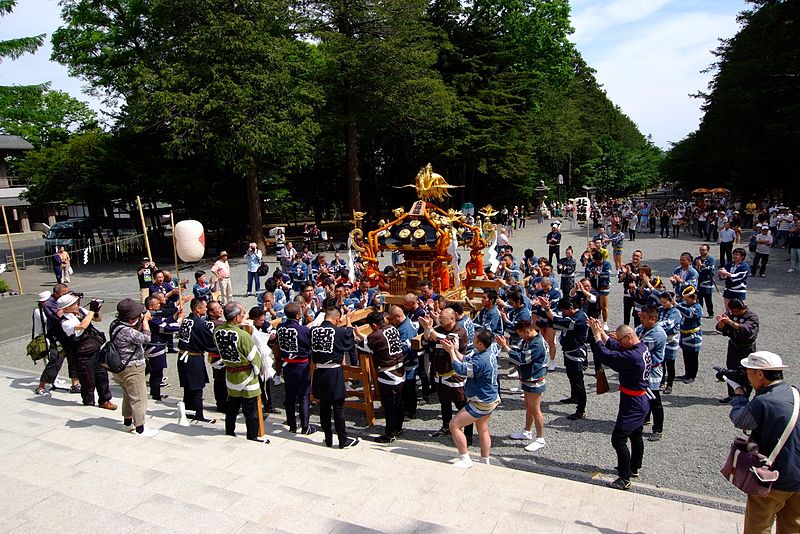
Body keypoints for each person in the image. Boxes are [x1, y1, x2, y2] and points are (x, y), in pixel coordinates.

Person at [729, 352, 800, 534]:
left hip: (772, 479)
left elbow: (741, 420)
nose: (747, 376)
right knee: (793, 527)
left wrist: (739, 397)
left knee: (758, 526)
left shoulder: (762, 401)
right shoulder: (794, 392)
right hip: (797, 475)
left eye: (749, 372)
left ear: (760, 374)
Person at [588, 319, 651, 490]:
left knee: (618, 438)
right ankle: (634, 467)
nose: (619, 342)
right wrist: (601, 331)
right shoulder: (641, 348)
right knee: (636, 434)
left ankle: (624, 478)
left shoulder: (633, 357)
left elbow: (608, 355)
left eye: (621, 339)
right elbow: (616, 347)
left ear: (629, 337)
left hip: (633, 402)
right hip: (640, 399)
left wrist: (596, 337)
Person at [440, 328, 499, 468]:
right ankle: (485, 459)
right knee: (483, 428)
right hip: (490, 397)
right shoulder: (490, 350)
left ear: (480, 343)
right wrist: (454, 350)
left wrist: (450, 353)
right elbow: (467, 359)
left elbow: (462, 370)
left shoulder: (481, 360)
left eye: (475, 339)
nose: (473, 340)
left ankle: (465, 458)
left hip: (481, 401)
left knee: (454, 425)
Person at [310, 307, 360, 449]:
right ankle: (343, 440)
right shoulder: (338, 332)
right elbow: (350, 337)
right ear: (337, 318)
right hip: (334, 372)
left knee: (324, 408)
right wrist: (349, 320)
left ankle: (328, 438)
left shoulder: (313, 331)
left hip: (319, 372)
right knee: (338, 408)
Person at [496, 320, 549, 452]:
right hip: (527, 378)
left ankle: (540, 438)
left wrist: (505, 347)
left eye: (520, 334)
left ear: (527, 331)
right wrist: (507, 345)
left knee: (535, 410)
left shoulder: (537, 344)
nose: (520, 337)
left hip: (535, 380)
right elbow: (518, 350)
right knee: (529, 407)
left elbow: (522, 358)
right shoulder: (527, 340)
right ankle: (526, 431)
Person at [420, 308, 471, 442]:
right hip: (440, 373)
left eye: (443, 318)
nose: (440, 320)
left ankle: (468, 434)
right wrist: (427, 329)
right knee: (444, 402)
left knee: (461, 404)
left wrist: (430, 329)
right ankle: (446, 426)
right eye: (440, 317)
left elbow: (446, 341)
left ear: (452, 319)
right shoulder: (439, 329)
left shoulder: (459, 332)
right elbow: (426, 338)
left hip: (454, 375)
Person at [57, 293, 116, 410]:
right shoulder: (65, 322)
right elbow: (82, 326)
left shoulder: (80, 311)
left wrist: (96, 310)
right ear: (65, 308)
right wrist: (91, 311)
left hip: (95, 348)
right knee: (88, 380)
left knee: (102, 376)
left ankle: (105, 400)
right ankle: (89, 402)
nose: (75, 305)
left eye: (75, 303)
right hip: (82, 354)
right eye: (72, 304)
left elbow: (97, 319)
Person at [214, 302, 263, 441]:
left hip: (230, 373)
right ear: (236, 318)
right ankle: (252, 437)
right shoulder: (242, 335)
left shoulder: (217, 331)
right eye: (241, 314)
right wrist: (257, 370)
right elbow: (254, 357)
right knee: (250, 410)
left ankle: (230, 432)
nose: (243, 316)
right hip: (246, 375)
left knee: (232, 406)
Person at [109, 299, 158, 436]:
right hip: (132, 367)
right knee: (139, 398)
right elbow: (146, 338)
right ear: (131, 318)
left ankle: (127, 423)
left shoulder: (115, 324)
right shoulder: (127, 331)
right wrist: (145, 322)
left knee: (128, 395)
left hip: (120, 367)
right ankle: (140, 428)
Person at [356, 311, 405, 444]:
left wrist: (356, 337)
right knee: (398, 403)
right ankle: (398, 428)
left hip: (388, 373)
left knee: (389, 406)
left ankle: (389, 434)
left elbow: (363, 347)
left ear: (374, 325)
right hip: (400, 369)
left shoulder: (376, 334)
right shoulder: (392, 328)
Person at [543, 297, 589, 420]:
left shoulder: (579, 318)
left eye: (564, 311)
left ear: (571, 308)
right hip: (569, 351)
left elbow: (557, 320)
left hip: (576, 353)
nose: (563, 313)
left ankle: (581, 410)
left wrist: (547, 308)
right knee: (571, 376)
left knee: (578, 381)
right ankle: (574, 397)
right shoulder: (573, 315)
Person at [275, 302, 316, 434]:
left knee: (290, 395)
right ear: (298, 315)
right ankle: (305, 426)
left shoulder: (280, 327)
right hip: (301, 364)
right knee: (304, 395)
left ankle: (292, 424)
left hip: (287, 364)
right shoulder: (304, 330)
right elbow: (309, 345)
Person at [176, 298, 217, 423]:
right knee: (197, 387)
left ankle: (188, 410)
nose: (206, 309)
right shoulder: (199, 324)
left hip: (183, 356)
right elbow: (210, 342)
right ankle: (199, 414)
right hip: (193, 357)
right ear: (198, 309)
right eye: (204, 307)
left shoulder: (186, 320)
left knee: (189, 387)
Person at [715, 299, 759, 403]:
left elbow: (747, 330)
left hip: (746, 348)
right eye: (733, 312)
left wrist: (731, 322)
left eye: (737, 312)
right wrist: (721, 323)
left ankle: (745, 395)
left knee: (745, 372)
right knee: (730, 370)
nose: (734, 314)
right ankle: (732, 394)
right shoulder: (730, 314)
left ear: (743, 308)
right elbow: (721, 329)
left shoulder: (751, 316)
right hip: (734, 346)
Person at [635, 306, 667, 442]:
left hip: (653, 371)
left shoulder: (657, 333)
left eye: (643, 317)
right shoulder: (643, 328)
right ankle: (645, 418)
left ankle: (658, 429)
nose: (640, 319)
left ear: (653, 318)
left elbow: (638, 347)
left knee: (655, 400)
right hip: (643, 370)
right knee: (643, 397)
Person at [144, 295, 182, 401]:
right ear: (151, 307)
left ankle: (154, 392)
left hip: (158, 346)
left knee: (155, 372)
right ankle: (155, 394)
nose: (159, 305)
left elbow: (166, 320)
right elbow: (166, 327)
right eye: (157, 304)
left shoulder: (154, 316)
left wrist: (175, 316)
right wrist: (179, 320)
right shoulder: (150, 318)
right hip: (155, 347)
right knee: (157, 373)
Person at [657, 292, 682, 395]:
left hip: (671, 340)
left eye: (665, 302)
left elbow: (668, 324)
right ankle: (661, 381)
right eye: (661, 302)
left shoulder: (676, 312)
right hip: (662, 340)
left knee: (670, 363)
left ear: (671, 301)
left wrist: (655, 325)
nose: (663, 304)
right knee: (661, 362)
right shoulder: (660, 309)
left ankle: (670, 384)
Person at [718, 247, 750, 312]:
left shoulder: (745, 266)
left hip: (739, 290)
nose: (734, 256)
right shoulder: (729, 264)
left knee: (739, 309)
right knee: (728, 309)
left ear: (742, 256)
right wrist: (722, 274)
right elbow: (723, 276)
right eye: (734, 254)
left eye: (737, 254)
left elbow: (739, 276)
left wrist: (726, 273)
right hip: (728, 289)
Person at [695, 245, 716, 318]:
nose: (702, 251)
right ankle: (699, 312)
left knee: (708, 299)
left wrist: (701, 265)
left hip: (707, 283)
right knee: (698, 299)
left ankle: (710, 312)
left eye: (704, 250)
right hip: (698, 282)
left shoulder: (710, 259)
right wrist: (697, 267)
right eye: (701, 249)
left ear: (708, 250)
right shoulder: (697, 259)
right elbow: (694, 269)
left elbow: (711, 271)